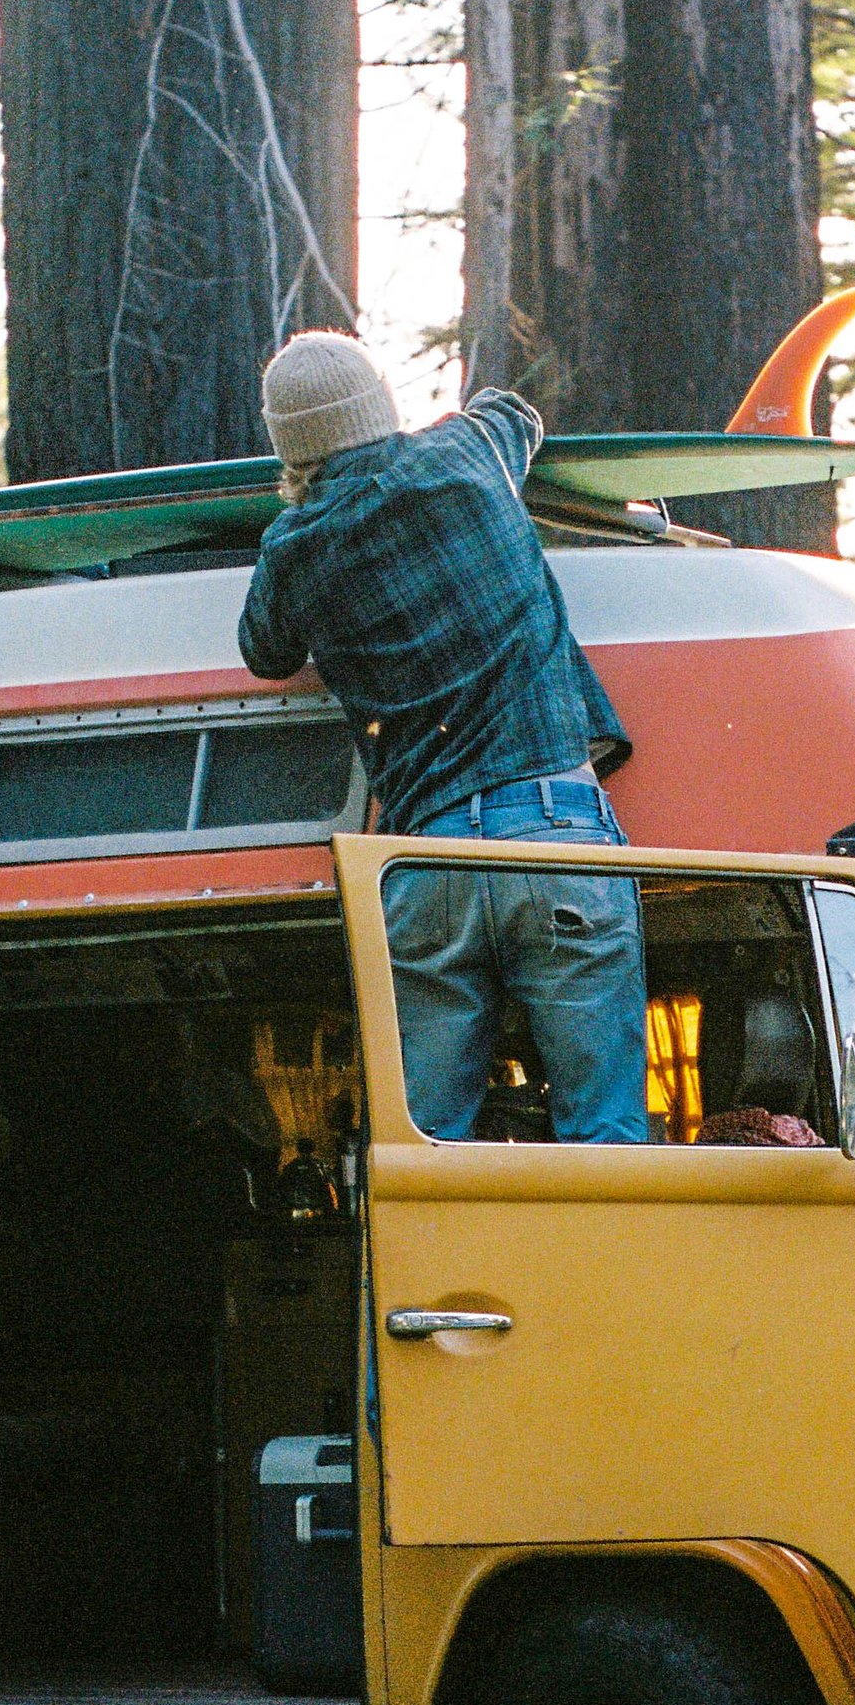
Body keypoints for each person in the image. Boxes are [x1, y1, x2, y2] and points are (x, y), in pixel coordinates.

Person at [238, 331, 651, 1144]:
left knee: (425, 1148)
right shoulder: (466, 450)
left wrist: (298, 515)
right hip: (553, 831)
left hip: (425, 861)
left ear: (291, 447)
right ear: (381, 406)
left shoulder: (292, 544)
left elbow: (264, 650)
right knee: (605, 1137)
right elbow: (513, 411)